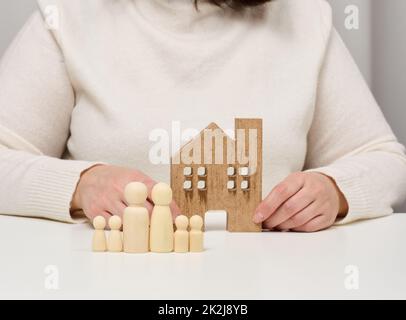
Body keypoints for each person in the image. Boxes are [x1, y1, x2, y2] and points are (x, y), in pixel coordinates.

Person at [0, 0, 405, 232]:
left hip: (271, 285)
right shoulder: (69, 15)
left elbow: (386, 160)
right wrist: (80, 185)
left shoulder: (302, 16)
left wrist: (335, 191)